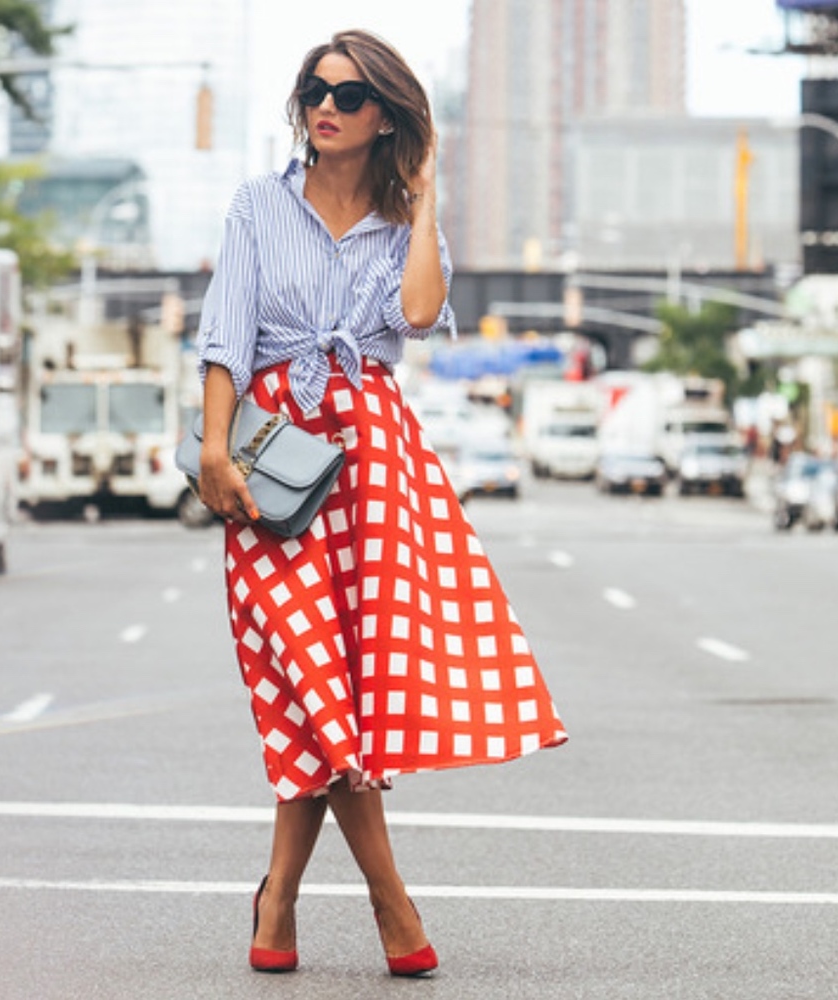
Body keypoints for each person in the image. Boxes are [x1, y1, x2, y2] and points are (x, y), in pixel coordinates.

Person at [196, 29, 567, 977]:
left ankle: (277, 899)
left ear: (386, 117)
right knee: (312, 678)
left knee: (337, 697)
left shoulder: (406, 225)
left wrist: (430, 190)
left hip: (372, 471)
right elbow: (226, 337)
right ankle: (390, 902)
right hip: (277, 457)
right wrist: (211, 447)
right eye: (316, 89)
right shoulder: (254, 207)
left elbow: (412, 316)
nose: (327, 105)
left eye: (352, 96)